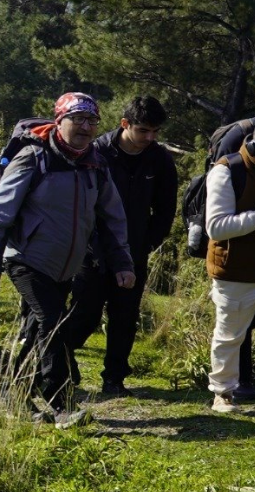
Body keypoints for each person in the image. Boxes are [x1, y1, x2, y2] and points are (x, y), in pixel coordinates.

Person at [0, 92, 135, 428]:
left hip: (66, 264)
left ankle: (17, 394)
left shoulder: (95, 164)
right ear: (59, 120)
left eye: (91, 120)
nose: (85, 127)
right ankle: (61, 403)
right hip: (26, 258)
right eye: (77, 118)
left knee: (40, 328)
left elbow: (112, 217)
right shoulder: (33, 157)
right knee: (54, 322)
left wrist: (123, 262)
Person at [68, 96, 178, 396]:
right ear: (124, 124)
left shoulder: (160, 159)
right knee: (84, 314)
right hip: (92, 251)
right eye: (143, 130)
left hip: (134, 251)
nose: (150, 138)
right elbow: (80, 203)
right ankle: (60, 362)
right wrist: (91, 245)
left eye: (155, 131)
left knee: (125, 317)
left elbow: (166, 208)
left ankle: (114, 379)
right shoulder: (96, 153)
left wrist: (146, 243)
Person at [203, 129, 255, 413]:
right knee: (230, 334)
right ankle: (222, 394)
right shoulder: (227, 170)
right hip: (235, 269)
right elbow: (217, 226)